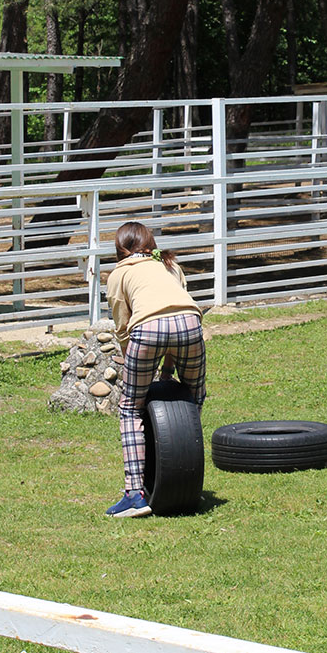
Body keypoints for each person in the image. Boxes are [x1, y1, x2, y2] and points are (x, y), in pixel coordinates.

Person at [104, 221, 206, 517]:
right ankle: (184, 472)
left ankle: (134, 494)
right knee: (194, 398)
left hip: (146, 329)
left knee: (130, 409)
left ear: (119, 248)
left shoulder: (119, 274)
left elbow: (123, 327)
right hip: (191, 324)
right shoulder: (169, 265)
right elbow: (176, 309)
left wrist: (132, 365)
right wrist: (167, 372)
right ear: (150, 243)